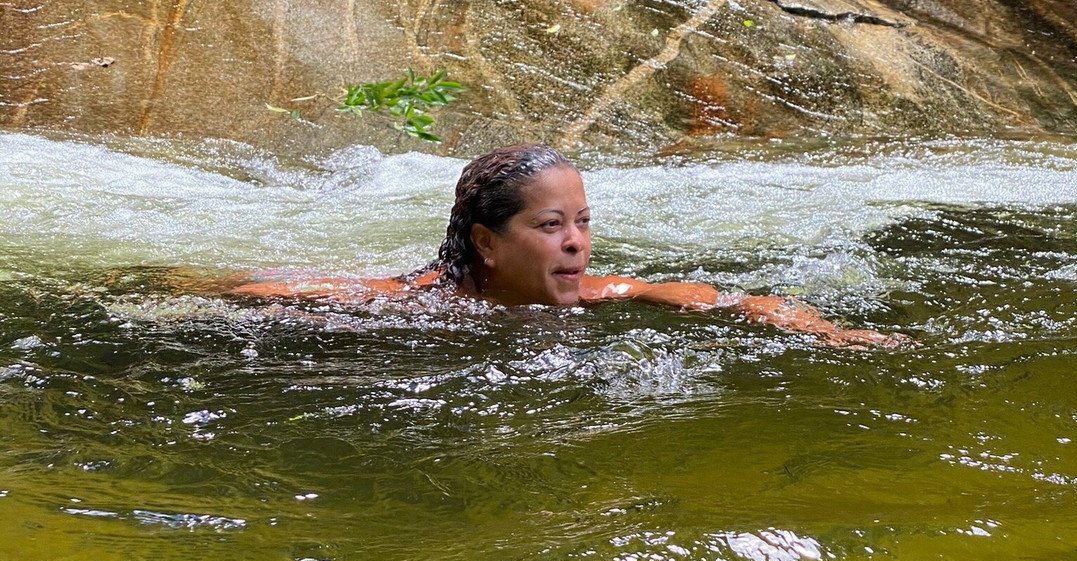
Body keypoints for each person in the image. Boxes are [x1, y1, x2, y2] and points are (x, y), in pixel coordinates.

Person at [232, 144, 910, 348]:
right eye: (551, 226)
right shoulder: (407, 304)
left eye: (582, 222)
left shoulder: (594, 293)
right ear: (486, 244)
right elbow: (257, 294)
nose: (577, 244)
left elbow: (724, 300)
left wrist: (827, 331)